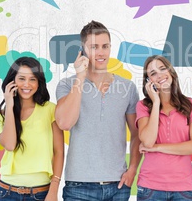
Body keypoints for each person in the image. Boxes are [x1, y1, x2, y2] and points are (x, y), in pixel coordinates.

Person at [55, 20, 141, 201]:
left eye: (105, 46)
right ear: (83, 50)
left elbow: (136, 133)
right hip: (78, 185)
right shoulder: (67, 85)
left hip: (118, 185)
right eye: (94, 47)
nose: (101, 52)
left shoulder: (127, 87)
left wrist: (132, 168)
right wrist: (80, 77)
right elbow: (64, 123)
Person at [0, 57, 64, 201]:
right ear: (12, 81)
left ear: (39, 82)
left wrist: (54, 190)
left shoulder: (50, 110)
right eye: (21, 78)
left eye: (32, 79)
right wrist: (10, 105)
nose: (27, 84)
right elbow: (10, 144)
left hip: (41, 193)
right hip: (6, 193)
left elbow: (59, 151)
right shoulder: (1, 115)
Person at [136, 55, 192, 201]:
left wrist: (157, 148)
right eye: (153, 73)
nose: (159, 75)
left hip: (184, 189)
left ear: (171, 72)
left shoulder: (191, 105)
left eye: (162, 69)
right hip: (150, 188)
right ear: (148, 81)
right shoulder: (143, 106)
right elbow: (147, 142)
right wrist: (155, 102)